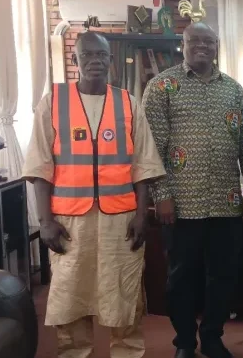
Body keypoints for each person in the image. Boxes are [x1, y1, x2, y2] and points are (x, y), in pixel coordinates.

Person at [23, 31, 166, 358]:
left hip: (122, 221)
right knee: (72, 294)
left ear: (110, 60)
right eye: (86, 55)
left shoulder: (128, 102)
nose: (95, 61)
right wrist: (44, 221)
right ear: (75, 61)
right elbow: (40, 166)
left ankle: (127, 352)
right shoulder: (54, 102)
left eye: (101, 55)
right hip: (70, 222)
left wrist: (143, 216)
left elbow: (143, 165)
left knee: (124, 292)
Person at [142, 22, 243, 358]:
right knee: (181, 276)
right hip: (180, 203)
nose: (202, 46)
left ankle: (213, 337)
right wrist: (161, 196)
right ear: (183, 44)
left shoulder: (234, 91)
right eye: (195, 41)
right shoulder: (162, 86)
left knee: (222, 275)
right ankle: (185, 342)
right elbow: (152, 148)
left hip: (226, 201)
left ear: (217, 45)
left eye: (208, 41)